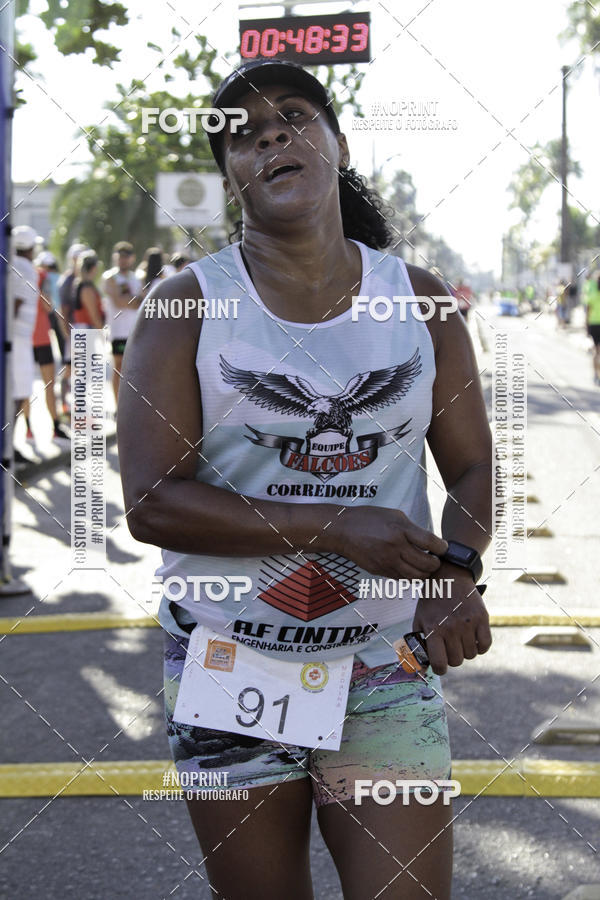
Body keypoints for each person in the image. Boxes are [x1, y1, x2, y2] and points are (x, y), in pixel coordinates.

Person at [118, 60, 492, 900]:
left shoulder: (423, 305)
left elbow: (470, 462)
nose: (269, 135)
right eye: (243, 137)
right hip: (231, 658)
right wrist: (332, 525)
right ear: (230, 180)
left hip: (382, 658)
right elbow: (150, 501)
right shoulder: (185, 308)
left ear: (338, 145)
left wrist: (460, 569)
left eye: (293, 116)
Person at [24, 252, 70, 444]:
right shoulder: (39, 275)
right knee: (41, 386)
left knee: (34, 386)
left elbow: (47, 305)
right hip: (34, 338)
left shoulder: (32, 274)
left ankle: (39, 429)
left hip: (31, 338)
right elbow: (48, 306)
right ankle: (47, 428)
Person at [9, 226, 39, 465]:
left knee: (17, 394)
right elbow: (16, 303)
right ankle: (7, 446)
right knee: (18, 394)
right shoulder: (24, 267)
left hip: (17, 338)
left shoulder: (14, 264)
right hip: (17, 339)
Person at [101, 241, 142, 402]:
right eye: (120, 257)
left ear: (132, 258)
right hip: (118, 332)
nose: (123, 260)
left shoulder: (136, 278)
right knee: (119, 368)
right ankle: (119, 406)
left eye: (126, 257)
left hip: (134, 331)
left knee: (133, 370)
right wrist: (135, 299)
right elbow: (121, 301)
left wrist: (133, 300)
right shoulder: (110, 277)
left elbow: (140, 301)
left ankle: (130, 405)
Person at [57, 242, 87, 417]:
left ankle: (78, 405)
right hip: (73, 330)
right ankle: (65, 405)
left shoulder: (82, 280)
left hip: (83, 330)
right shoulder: (67, 280)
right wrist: (67, 332)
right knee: (70, 369)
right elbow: (64, 309)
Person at [582, 271, 600, 386]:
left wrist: (586, 326)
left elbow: (588, 310)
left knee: (596, 351)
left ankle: (595, 374)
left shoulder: (592, 293)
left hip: (593, 324)